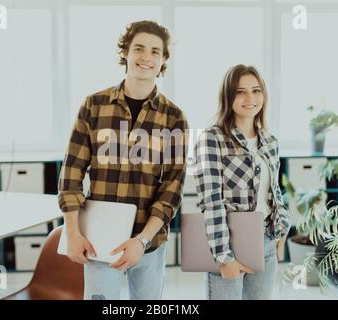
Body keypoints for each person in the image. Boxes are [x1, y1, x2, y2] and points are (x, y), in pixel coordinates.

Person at [57, 20, 188, 300]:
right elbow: (71, 175)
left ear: (163, 60)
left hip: (149, 243)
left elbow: (172, 188)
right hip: (98, 240)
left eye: (155, 51)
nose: (146, 57)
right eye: (138, 48)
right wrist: (72, 233)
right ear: (125, 53)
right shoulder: (93, 106)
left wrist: (142, 240)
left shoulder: (174, 117)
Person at [194, 64, 290, 300]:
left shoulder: (270, 141)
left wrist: (282, 229)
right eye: (240, 91)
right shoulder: (212, 138)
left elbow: (274, 193)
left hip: (266, 242)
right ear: (228, 96)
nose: (250, 98)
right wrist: (223, 257)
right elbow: (211, 202)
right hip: (227, 244)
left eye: (256, 91)